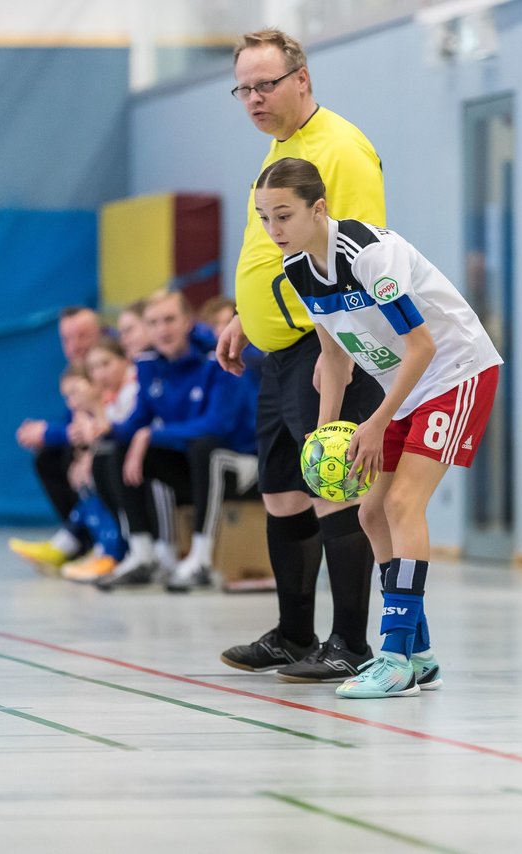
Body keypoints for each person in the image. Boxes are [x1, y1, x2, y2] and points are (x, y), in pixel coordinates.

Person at [252, 158, 502, 698]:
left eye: (284, 216)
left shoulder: (369, 256)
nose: (274, 231)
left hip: (455, 371)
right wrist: (323, 443)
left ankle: (392, 655)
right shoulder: (298, 269)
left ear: (319, 209)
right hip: (405, 384)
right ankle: (420, 655)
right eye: (264, 219)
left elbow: (423, 346)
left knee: (401, 504)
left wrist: (373, 422)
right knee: (369, 510)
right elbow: (335, 362)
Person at [215, 28, 388, 682]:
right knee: (285, 494)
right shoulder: (282, 146)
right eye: (244, 88)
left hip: (324, 354)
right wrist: (243, 314)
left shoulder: (340, 148)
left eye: (266, 84)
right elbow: (276, 242)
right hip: (276, 351)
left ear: (302, 80)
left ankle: (349, 643)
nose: (254, 98)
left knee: (334, 492)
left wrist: (337, 348)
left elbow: (361, 254)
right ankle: (293, 635)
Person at [86, 291, 256, 591]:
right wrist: (101, 430)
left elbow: (218, 425)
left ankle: (201, 560)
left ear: (188, 322)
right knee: (114, 451)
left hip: (240, 462)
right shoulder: (150, 364)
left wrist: (151, 434)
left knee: (206, 448)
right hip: (191, 465)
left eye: (170, 319)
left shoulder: (217, 356)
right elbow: (137, 422)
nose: (163, 329)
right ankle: (143, 555)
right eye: (154, 323)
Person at [9, 307, 104, 570]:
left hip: (114, 446)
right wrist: (47, 435)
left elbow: (101, 423)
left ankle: (94, 543)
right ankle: (80, 541)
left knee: (81, 458)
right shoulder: (75, 372)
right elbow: (73, 425)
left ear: (101, 333)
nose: (75, 346)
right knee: (48, 458)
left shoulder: (107, 368)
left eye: (83, 336)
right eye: (67, 339)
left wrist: (49, 433)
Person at [57, 338, 139, 582]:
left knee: (100, 464)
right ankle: (102, 547)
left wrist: (90, 455)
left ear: (124, 360)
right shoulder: (112, 399)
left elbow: (121, 432)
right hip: (120, 457)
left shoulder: (130, 392)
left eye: (105, 364)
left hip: (135, 462)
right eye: (94, 368)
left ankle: (114, 550)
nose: (100, 374)